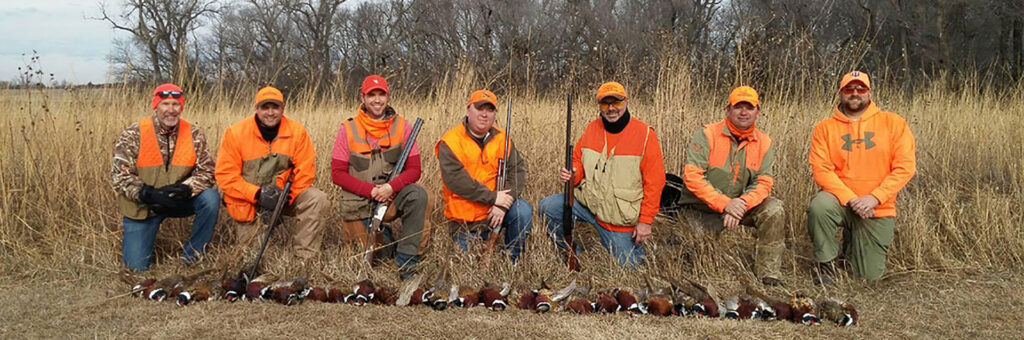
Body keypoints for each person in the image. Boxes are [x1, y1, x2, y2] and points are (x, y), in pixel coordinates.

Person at [539, 81, 665, 268]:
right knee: (548, 207)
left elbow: (655, 183)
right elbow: (578, 160)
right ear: (599, 106)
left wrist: (646, 222)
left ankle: (632, 249)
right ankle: (571, 250)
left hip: (618, 220)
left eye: (616, 102)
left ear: (626, 101)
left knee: (631, 269)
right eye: (605, 104)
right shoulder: (592, 129)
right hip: (588, 205)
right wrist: (574, 173)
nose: (611, 108)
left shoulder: (645, 135)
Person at [807, 71, 916, 284]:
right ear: (840, 94)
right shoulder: (824, 128)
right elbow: (821, 170)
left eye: (860, 89)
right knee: (819, 206)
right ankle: (826, 265)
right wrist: (851, 199)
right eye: (849, 89)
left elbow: (905, 167)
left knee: (867, 278)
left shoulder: (893, 123)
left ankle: (850, 246)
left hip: (877, 208)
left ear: (870, 93)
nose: (855, 93)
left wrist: (874, 198)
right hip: (841, 203)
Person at [670, 86, 785, 286]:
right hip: (702, 207)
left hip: (740, 207)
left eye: (749, 107)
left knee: (774, 209)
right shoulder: (707, 135)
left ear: (758, 112)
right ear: (727, 110)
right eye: (738, 106)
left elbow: (764, 182)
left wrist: (740, 204)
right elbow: (692, 177)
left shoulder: (764, 142)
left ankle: (769, 274)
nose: (743, 112)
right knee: (696, 258)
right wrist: (725, 204)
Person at [331, 75, 431, 279]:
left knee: (419, 195)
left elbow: (414, 169)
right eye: (371, 95)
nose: (377, 100)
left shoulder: (404, 126)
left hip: (391, 197)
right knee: (368, 255)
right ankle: (385, 239)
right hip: (360, 201)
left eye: (381, 95)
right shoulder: (347, 129)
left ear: (388, 97)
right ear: (363, 98)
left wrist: (390, 188)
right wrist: (371, 191)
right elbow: (337, 174)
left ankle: (407, 264)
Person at [110, 83, 218, 271]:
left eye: (176, 104)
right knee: (135, 268)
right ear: (155, 106)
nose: (171, 110)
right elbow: (119, 175)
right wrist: (147, 194)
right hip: (144, 205)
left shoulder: (194, 134)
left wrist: (187, 189)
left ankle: (192, 258)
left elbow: (207, 171)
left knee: (210, 198)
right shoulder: (134, 133)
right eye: (165, 104)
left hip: (178, 201)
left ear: (181, 107)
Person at [215, 86, 330, 259]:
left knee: (317, 198)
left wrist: (284, 198)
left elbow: (305, 172)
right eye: (265, 107)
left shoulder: (297, 132)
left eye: (275, 107)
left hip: (284, 196)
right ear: (256, 109)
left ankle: (305, 258)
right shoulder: (235, 133)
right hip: (250, 202)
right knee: (253, 258)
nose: (270, 112)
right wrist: (257, 194)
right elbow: (226, 176)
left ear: (282, 109)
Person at [435, 89, 530, 263]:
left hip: (497, 211)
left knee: (522, 211)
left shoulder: (503, 138)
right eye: (480, 108)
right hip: (466, 221)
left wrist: (503, 204)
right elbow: (456, 181)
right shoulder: (450, 141)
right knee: (465, 265)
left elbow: (517, 171)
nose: (484, 115)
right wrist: (493, 198)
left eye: (490, 110)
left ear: (495, 114)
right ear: (468, 110)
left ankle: (512, 260)